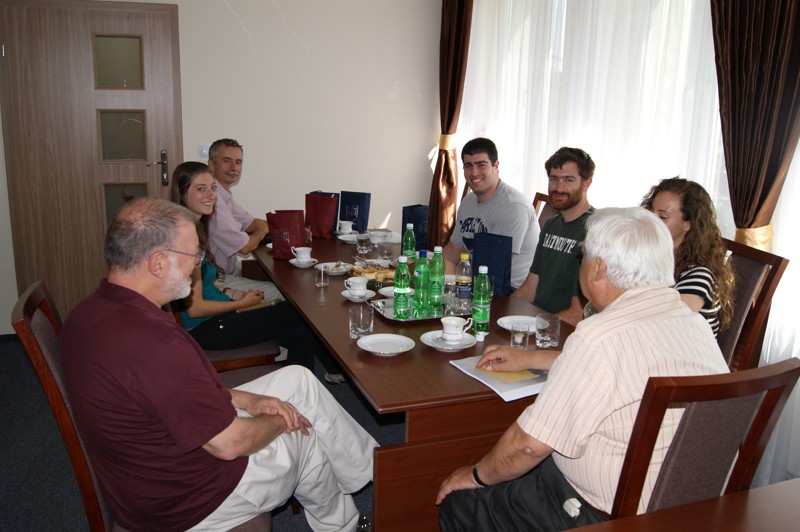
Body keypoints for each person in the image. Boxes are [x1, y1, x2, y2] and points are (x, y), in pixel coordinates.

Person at [60, 198, 377, 532]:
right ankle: (345, 525)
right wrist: (281, 418)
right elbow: (230, 444)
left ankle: (376, 472)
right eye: (193, 256)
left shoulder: (89, 312)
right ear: (158, 263)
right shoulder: (156, 345)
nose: (197, 266)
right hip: (191, 497)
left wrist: (248, 400)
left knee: (298, 379)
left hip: (158, 455)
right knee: (301, 431)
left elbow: (164, 392)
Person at [436, 207, 729, 530]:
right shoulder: (693, 323)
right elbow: (626, 370)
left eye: (584, 255)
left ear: (598, 268)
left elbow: (528, 445)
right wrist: (532, 358)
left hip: (603, 514)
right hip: (691, 507)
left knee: (461, 505)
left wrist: (475, 476)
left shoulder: (598, 336)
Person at [172, 161, 332, 371]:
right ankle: (314, 376)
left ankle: (302, 379)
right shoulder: (185, 239)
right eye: (201, 189)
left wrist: (233, 293)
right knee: (298, 315)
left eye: (212, 187)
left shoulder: (195, 227)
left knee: (298, 328)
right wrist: (241, 303)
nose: (211, 195)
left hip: (215, 318)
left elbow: (203, 286)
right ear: (182, 193)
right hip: (205, 329)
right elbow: (195, 309)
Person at [641, 177, 734, 337]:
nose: (651, 221)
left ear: (687, 224)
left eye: (662, 217)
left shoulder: (699, 276)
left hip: (680, 349)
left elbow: (666, 332)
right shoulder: (653, 258)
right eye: (651, 212)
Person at [513, 147, 595, 325]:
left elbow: (578, 314)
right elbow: (529, 288)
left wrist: (535, 326)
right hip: (536, 320)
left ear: (587, 183)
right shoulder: (551, 225)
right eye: (554, 179)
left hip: (562, 329)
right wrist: (499, 312)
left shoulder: (594, 231)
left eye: (568, 180)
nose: (559, 188)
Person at [442, 137, 538, 289]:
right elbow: (453, 250)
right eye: (468, 166)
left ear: (496, 166)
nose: (474, 172)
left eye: (481, 165)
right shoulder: (468, 201)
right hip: (477, 280)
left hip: (508, 290)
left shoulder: (513, 207)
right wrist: (427, 266)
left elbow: (494, 267)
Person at [206, 138, 280, 300]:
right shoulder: (212, 200)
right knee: (280, 292)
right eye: (227, 161)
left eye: (238, 162)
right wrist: (261, 230)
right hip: (213, 281)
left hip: (226, 270)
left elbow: (252, 223)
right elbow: (245, 247)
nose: (234, 167)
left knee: (275, 276)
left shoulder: (224, 194)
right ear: (211, 164)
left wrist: (294, 228)